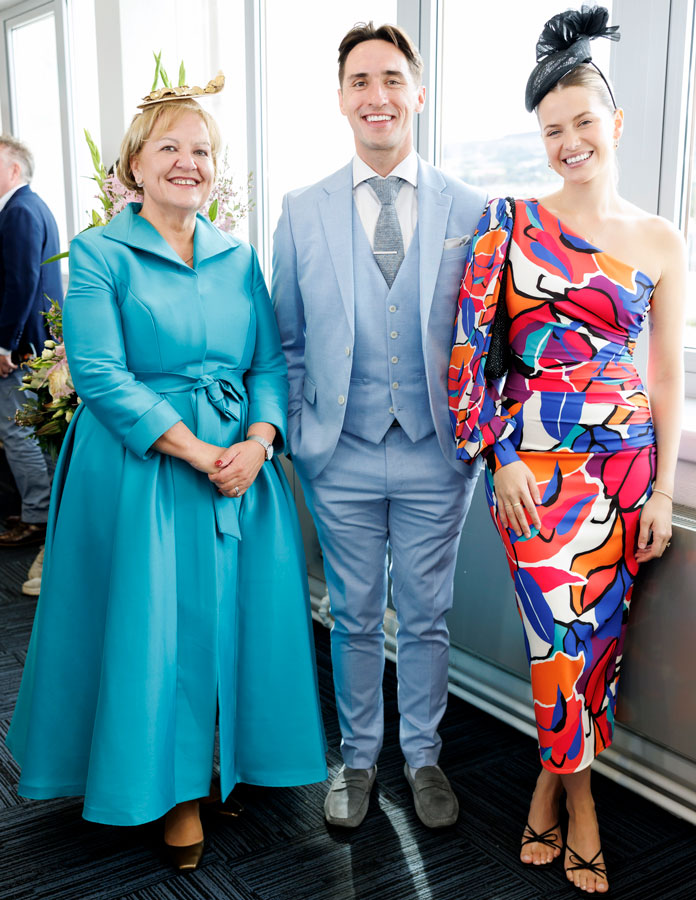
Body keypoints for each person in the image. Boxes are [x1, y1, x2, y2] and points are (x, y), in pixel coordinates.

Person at [7, 90, 327, 872]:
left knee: (236, 619)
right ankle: (173, 788)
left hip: (241, 468)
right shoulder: (99, 253)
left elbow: (269, 364)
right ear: (134, 166)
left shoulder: (238, 257)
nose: (189, 162)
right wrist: (197, 451)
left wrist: (258, 444)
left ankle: (228, 759)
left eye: (202, 150)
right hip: (143, 466)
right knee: (157, 626)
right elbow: (99, 374)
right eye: (170, 148)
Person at [449, 6, 684, 893]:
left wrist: (662, 491)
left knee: (596, 645)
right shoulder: (507, 221)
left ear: (615, 122)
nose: (569, 142)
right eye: (552, 130)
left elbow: (667, 377)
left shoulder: (662, 239)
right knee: (559, 645)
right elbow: (469, 355)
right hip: (534, 475)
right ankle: (584, 807)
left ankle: (549, 786)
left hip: (624, 470)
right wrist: (500, 456)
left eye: (583, 122)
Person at [272, 22, 486, 830]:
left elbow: (488, 337)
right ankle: (357, 759)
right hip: (340, 453)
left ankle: (424, 756)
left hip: (438, 454)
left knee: (428, 616)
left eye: (392, 78)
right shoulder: (302, 210)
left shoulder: (474, 208)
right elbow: (286, 338)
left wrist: (472, 440)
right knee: (354, 615)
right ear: (341, 98)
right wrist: (304, 437)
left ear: (418, 94)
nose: (377, 95)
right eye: (360, 80)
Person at [0, 136, 61, 548]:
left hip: (21, 348)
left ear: (14, 169)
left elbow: (21, 284)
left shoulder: (19, 211)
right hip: (39, 343)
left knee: (16, 431)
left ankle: (38, 517)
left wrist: (5, 346)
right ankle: (47, 511)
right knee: (39, 430)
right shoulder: (32, 206)